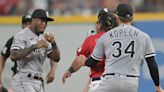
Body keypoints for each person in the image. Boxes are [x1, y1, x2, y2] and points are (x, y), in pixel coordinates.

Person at [76, 3, 164, 92]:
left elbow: (93, 61)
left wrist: (84, 62)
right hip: (131, 82)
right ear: (132, 17)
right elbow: (152, 64)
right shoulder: (144, 36)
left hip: (110, 80)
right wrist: (157, 86)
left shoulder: (106, 36)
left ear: (117, 17)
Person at [62, 8, 117, 92]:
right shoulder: (118, 39)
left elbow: (79, 60)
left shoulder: (92, 39)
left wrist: (70, 70)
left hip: (98, 83)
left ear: (99, 24)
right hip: (116, 82)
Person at [10, 9, 60, 92]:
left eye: (46, 22)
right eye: (42, 20)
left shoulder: (43, 38)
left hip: (38, 81)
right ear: (33, 20)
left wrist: (54, 44)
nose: (44, 24)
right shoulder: (22, 35)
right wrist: (34, 46)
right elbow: (13, 55)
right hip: (24, 79)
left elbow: (56, 58)